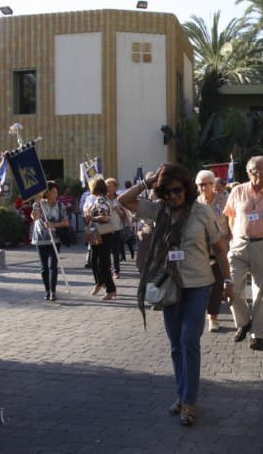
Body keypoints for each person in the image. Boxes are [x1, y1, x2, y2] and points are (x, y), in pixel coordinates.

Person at [119, 164, 232, 426]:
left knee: (189, 338)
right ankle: (181, 395)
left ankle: (190, 401)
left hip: (199, 284)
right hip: (170, 284)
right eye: (167, 192)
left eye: (177, 190)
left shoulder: (202, 212)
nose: (173, 195)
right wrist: (147, 183)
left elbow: (219, 248)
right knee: (175, 344)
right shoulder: (159, 211)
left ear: (186, 188)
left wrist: (228, 281)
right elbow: (124, 201)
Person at [223, 156, 263, 350]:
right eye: (261, 168)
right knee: (232, 286)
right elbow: (231, 218)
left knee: (261, 292)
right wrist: (235, 239)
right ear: (250, 172)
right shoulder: (237, 191)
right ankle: (244, 322)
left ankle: (258, 334)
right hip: (239, 245)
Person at [195, 169, 230, 333]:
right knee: (202, 285)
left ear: (213, 184)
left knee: (217, 285)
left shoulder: (222, 201)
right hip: (200, 251)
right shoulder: (195, 203)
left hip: (219, 250)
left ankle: (213, 317)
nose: (205, 187)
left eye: (208, 184)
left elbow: (230, 222)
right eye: (201, 184)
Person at [31, 181, 69, 301]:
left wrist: (54, 224)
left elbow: (66, 222)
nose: (55, 195)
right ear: (46, 193)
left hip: (55, 239)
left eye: (56, 192)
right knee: (44, 267)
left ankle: (53, 291)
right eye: (52, 192)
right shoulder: (39, 204)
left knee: (53, 265)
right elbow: (35, 217)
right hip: (41, 239)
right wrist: (37, 203)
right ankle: (47, 290)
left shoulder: (59, 205)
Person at [84, 178, 118, 300]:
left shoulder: (100, 199)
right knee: (94, 260)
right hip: (98, 234)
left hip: (103, 233)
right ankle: (99, 283)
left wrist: (91, 217)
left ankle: (111, 289)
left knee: (102, 263)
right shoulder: (100, 199)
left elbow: (105, 218)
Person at [105, 178, 126, 278]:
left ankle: (116, 271)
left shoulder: (119, 198)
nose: (110, 188)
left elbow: (123, 215)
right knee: (106, 250)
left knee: (116, 250)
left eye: (111, 186)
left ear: (115, 187)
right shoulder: (103, 199)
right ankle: (108, 268)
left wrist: (118, 210)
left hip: (116, 227)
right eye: (108, 186)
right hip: (105, 228)